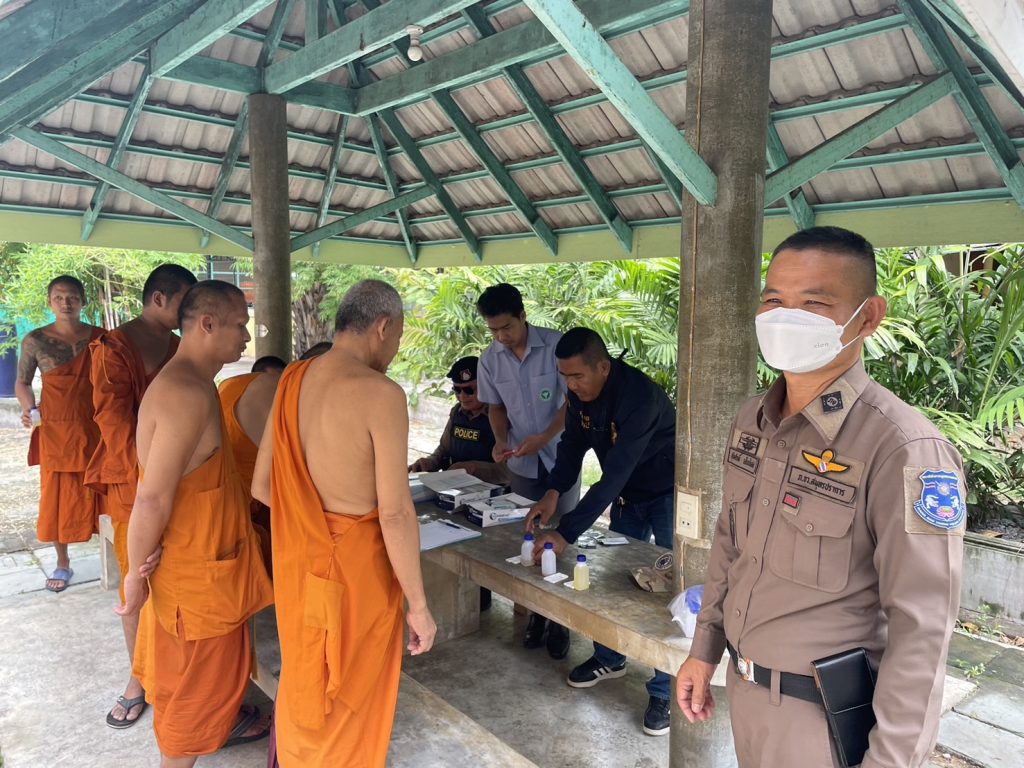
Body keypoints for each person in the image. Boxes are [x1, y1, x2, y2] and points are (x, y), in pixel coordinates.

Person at [675, 227, 965, 768]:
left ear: (868, 317)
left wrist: (890, 761)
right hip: (746, 695)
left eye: (814, 304)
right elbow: (730, 544)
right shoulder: (753, 420)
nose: (787, 318)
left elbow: (922, 629)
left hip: (824, 724)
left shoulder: (904, 449)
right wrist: (704, 649)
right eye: (774, 301)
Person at [252, 279, 436, 768]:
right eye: (399, 338)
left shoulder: (292, 379)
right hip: (355, 580)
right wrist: (419, 607)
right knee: (347, 700)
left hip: (298, 570)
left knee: (308, 685)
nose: (395, 351)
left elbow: (262, 487)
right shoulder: (381, 394)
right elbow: (395, 513)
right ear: (383, 327)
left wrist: (310, 527)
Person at [118, 280, 273, 766]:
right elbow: (151, 498)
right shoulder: (184, 392)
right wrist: (133, 575)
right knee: (188, 716)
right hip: (196, 585)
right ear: (207, 324)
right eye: (240, 325)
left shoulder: (197, 384)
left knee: (196, 699)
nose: (246, 337)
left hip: (204, 570)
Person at [526, 327, 676, 736]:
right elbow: (571, 447)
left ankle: (665, 690)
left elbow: (613, 475)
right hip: (628, 494)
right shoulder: (579, 396)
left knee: (667, 592)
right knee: (613, 581)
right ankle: (610, 658)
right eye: (564, 377)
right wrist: (552, 493)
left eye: (577, 376)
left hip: (667, 494)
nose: (570, 386)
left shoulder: (639, 398)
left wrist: (566, 532)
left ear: (603, 368)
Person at [86, 263, 197, 729]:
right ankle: (138, 678)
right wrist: (151, 484)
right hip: (134, 481)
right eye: (185, 303)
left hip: (177, 479)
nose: (191, 313)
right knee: (138, 579)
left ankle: (176, 671)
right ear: (159, 299)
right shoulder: (114, 347)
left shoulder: (177, 347)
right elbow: (112, 422)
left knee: (176, 576)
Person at [476, 282, 580, 659]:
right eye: (493, 330)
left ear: (523, 316)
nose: (501, 337)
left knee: (562, 537)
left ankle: (560, 622)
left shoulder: (556, 346)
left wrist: (545, 437)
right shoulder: (490, 360)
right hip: (521, 462)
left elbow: (573, 401)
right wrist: (499, 440)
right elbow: (496, 407)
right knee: (525, 537)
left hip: (561, 456)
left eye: (506, 327)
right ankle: (536, 615)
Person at [15, 275, 102, 592]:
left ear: (83, 301)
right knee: (56, 498)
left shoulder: (102, 338)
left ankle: (118, 554)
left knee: (108, 489)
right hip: (56, 429)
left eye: (73, 297)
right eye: (59, 297)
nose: (66, 303)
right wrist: (29, 408)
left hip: (97, 425)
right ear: (50, 302)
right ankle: (63, 562)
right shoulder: (35, 340)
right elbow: (22, 382)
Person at [218, 359, 283, 572]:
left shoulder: (228, 385)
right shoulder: (281, 393)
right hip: (239, 523)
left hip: (215, 516)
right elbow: (264, 489)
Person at [408, 355, 511, 486]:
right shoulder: (457, 412)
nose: (462, 396)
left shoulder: (502, 417)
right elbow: (444, 450)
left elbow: (510, 471)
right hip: (454, 487)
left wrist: (473, 468)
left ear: (487, 387)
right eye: (457, 390)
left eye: (469, 390)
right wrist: (430, 462)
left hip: (492, 491)